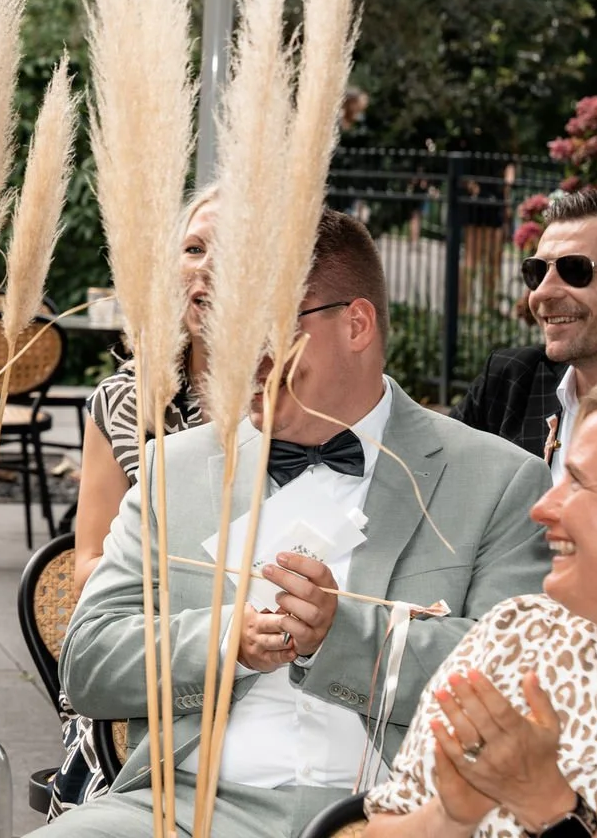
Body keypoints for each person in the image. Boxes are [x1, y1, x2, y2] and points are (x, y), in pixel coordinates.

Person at [53, 209, 552, 838]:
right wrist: (223, 639)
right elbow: (89, 664)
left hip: (400, 812)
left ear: (356, 324)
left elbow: (513, 683)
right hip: (184, 808)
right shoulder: (170, 471)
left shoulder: (501, 479)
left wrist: (340, 636)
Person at [365, 376, 597, 838]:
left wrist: (550, 805)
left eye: (579, 483)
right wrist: (451, 816)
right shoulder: (520, 635)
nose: (543, 507)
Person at [72, 188, 215, 593]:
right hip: (158, 641)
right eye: (194, 248)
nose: (208, 265)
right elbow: (87, 566)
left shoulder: (296, 401)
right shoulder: (125, 402)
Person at [457, 189, 597, 474]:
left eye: (575, 269)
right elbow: (424, 479)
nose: (542, 292)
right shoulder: (512, 382)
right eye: (536, 272)